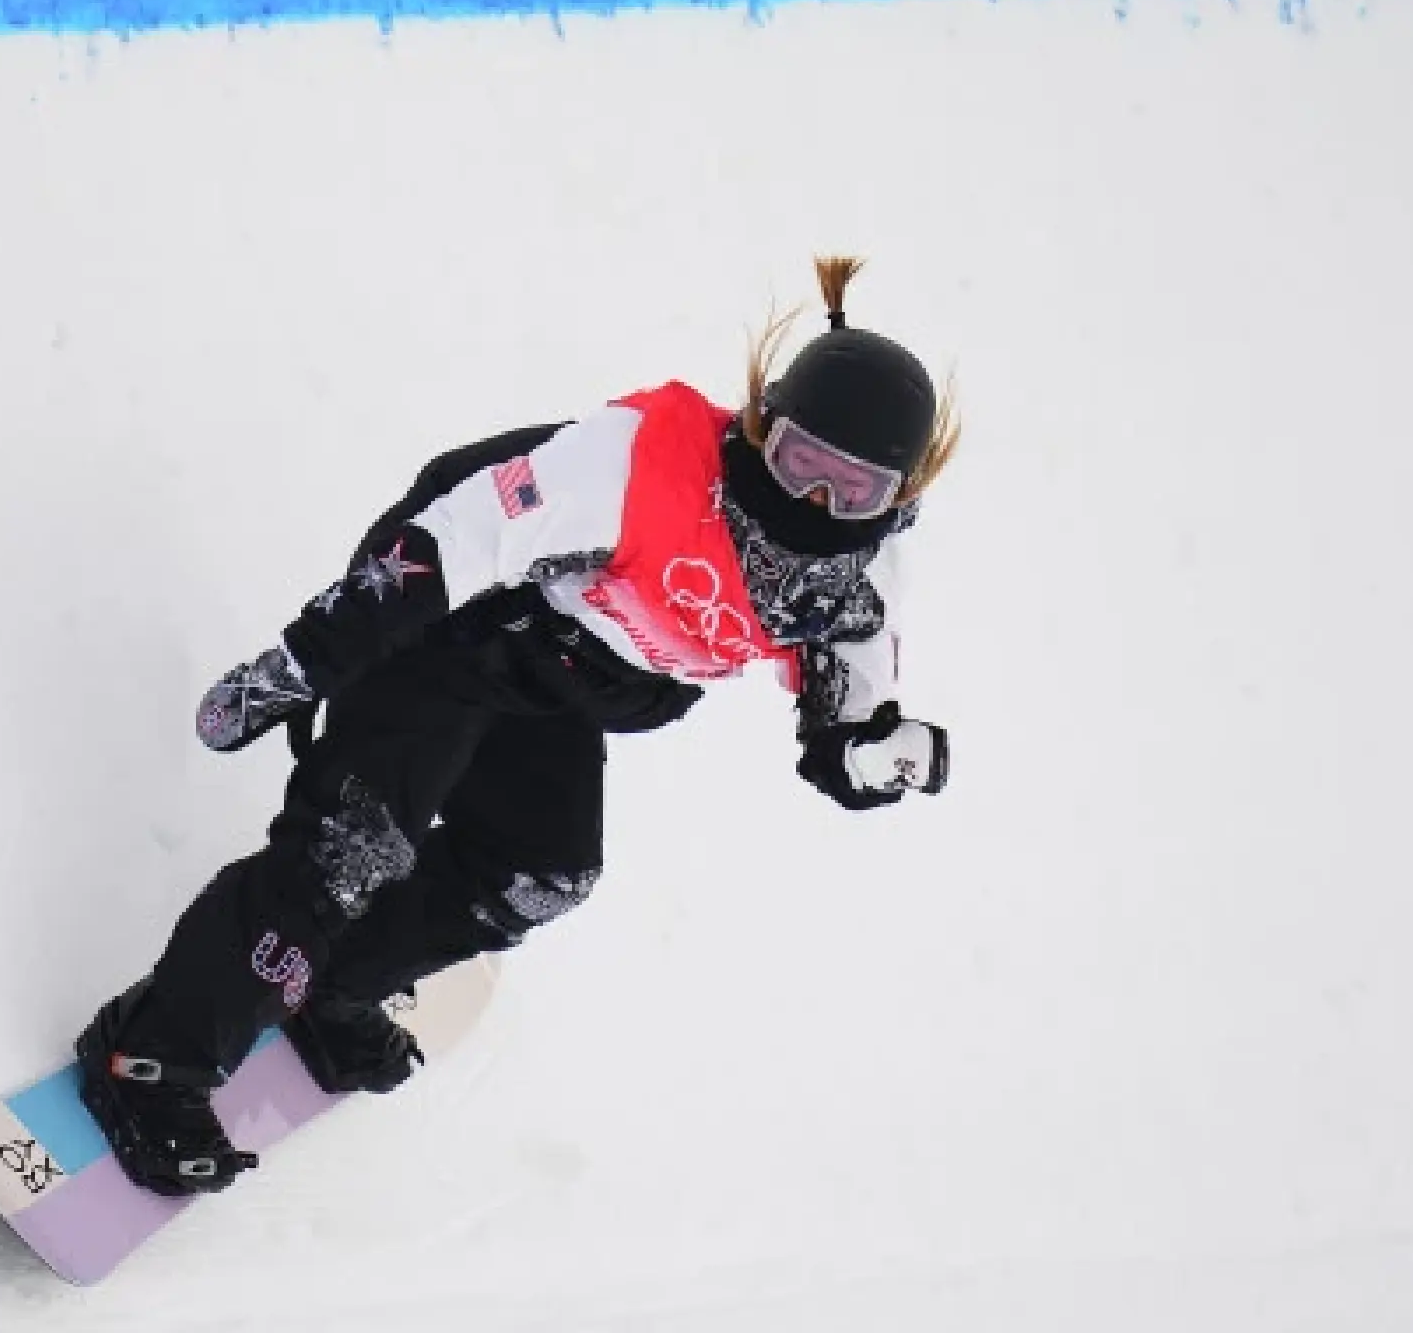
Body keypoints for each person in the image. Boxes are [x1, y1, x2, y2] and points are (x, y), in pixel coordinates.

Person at [75, 255, 962, 1197]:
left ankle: (333, 985)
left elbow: (844, 724)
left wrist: (873, 759)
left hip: (559, 684)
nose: (810, 505)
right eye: (797, 463)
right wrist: (309, 661)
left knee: (541, 874)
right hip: (444, 633)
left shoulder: (856, 583)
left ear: (897, 499)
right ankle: (148, 1059)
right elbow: (446, 543)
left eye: (850, 491)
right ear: (759, 426)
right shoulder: (637, 467)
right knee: (347, 855)